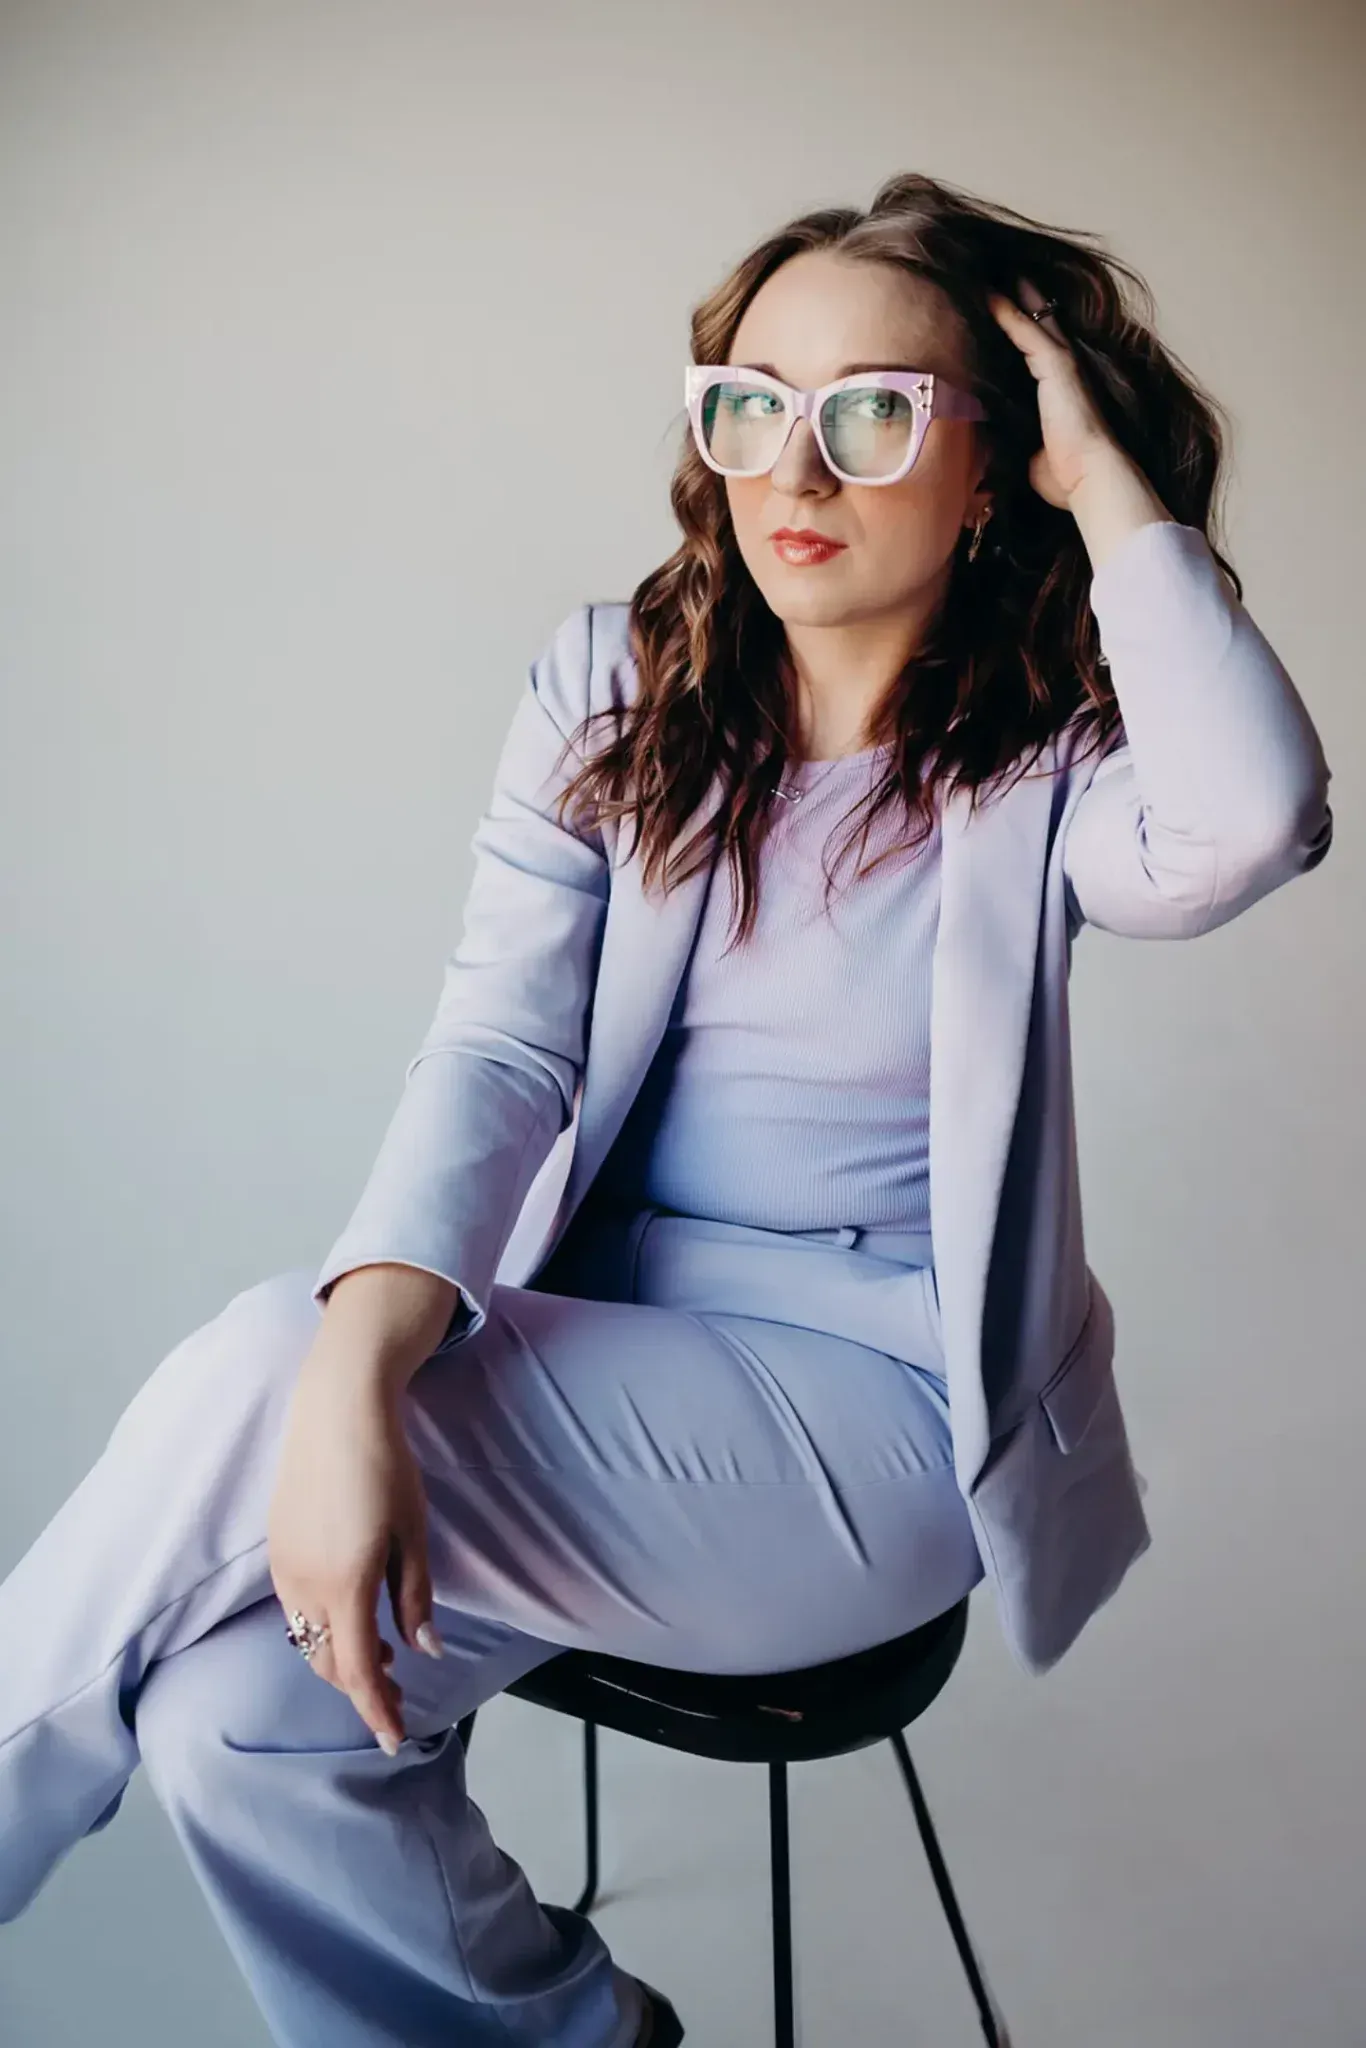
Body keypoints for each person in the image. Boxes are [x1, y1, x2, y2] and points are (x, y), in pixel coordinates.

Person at [0, 170, 1333, 2047]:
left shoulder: (1055, 771)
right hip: (596, 1378)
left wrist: (1115, 493)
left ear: (992, 466)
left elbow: (1257, 817)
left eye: (873, 410)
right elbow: (497, 1050)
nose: (798, 466)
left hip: (866, 1429)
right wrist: (368, 1374)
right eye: (750, 405)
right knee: (237, 1725)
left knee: (252, 1367)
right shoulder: (607, 689)